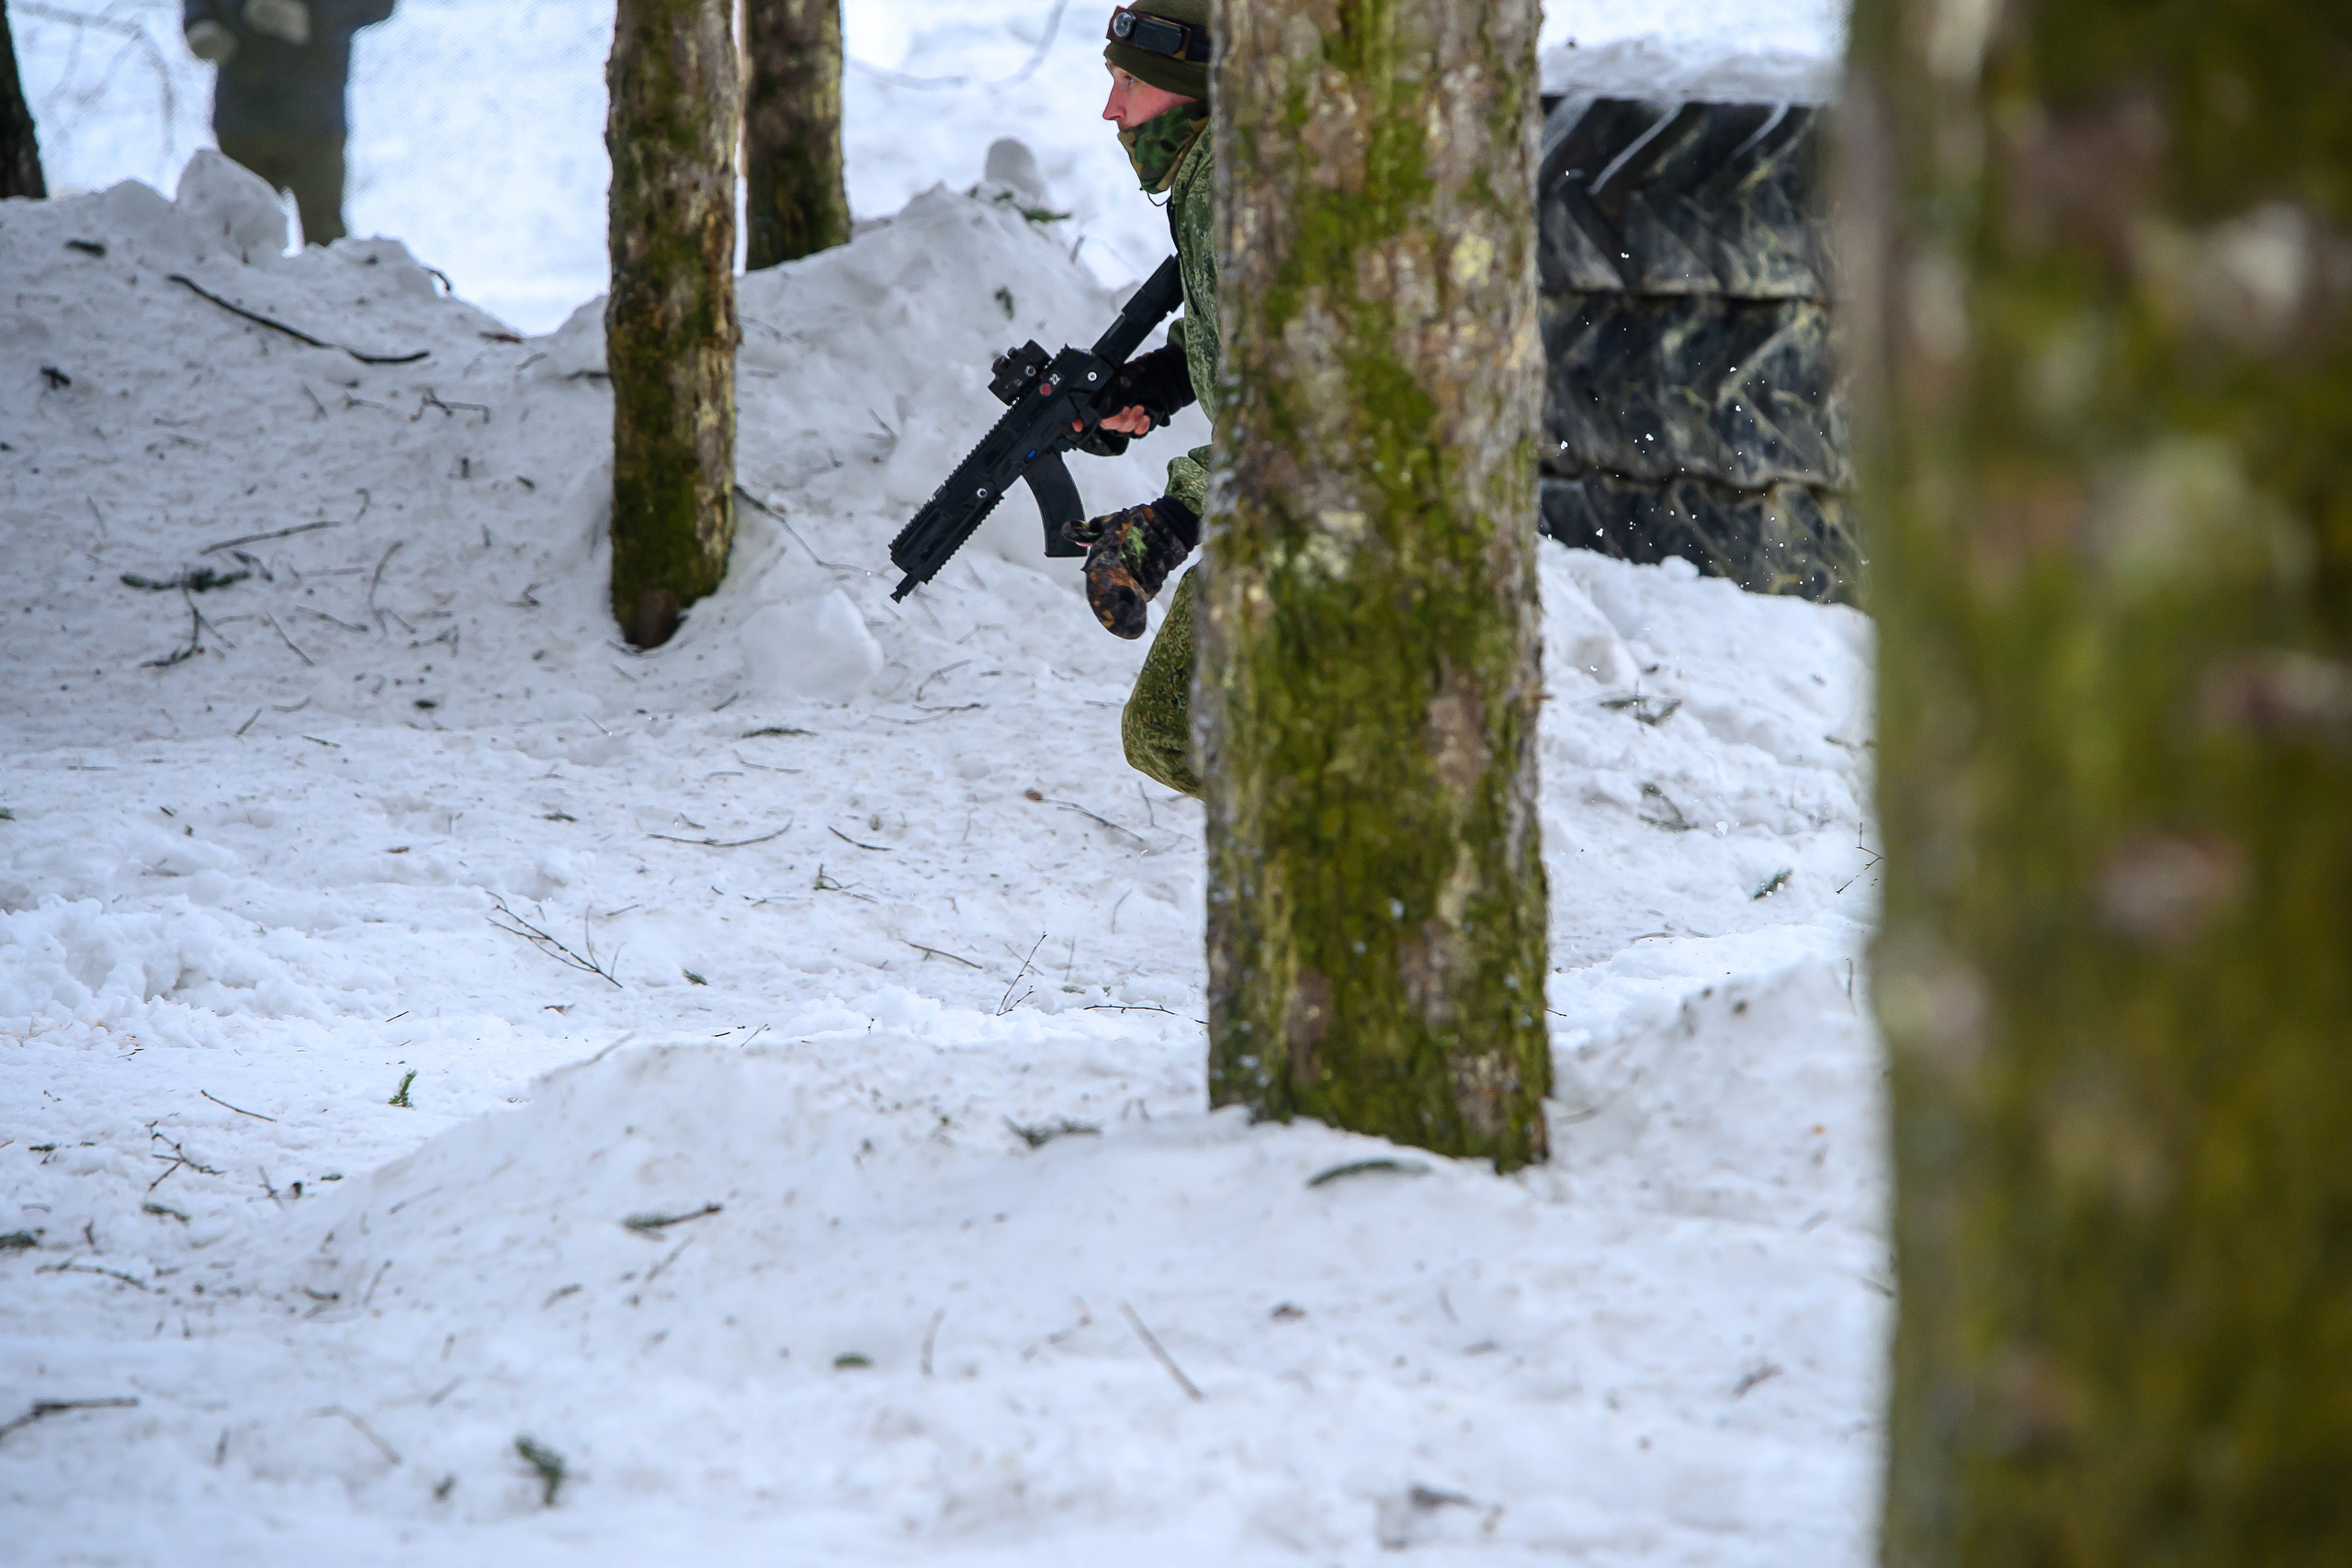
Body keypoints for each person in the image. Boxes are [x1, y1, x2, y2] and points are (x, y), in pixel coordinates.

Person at [1071, 0, 1216, 797]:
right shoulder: (1224, 179)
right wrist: (1157, 384)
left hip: (1334, 518)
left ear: (1189, 85)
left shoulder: (1235, 197)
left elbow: (1298, 408)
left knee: (1175, 728)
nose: (1112, 107)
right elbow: (1249, 346)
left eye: (1129, 81)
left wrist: (1173, 519)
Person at [182, 0, 395, 245]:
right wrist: (202, 24)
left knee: (325, 242)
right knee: (241, 241)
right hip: (243, 117)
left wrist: (312, 17)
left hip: (314, 121)